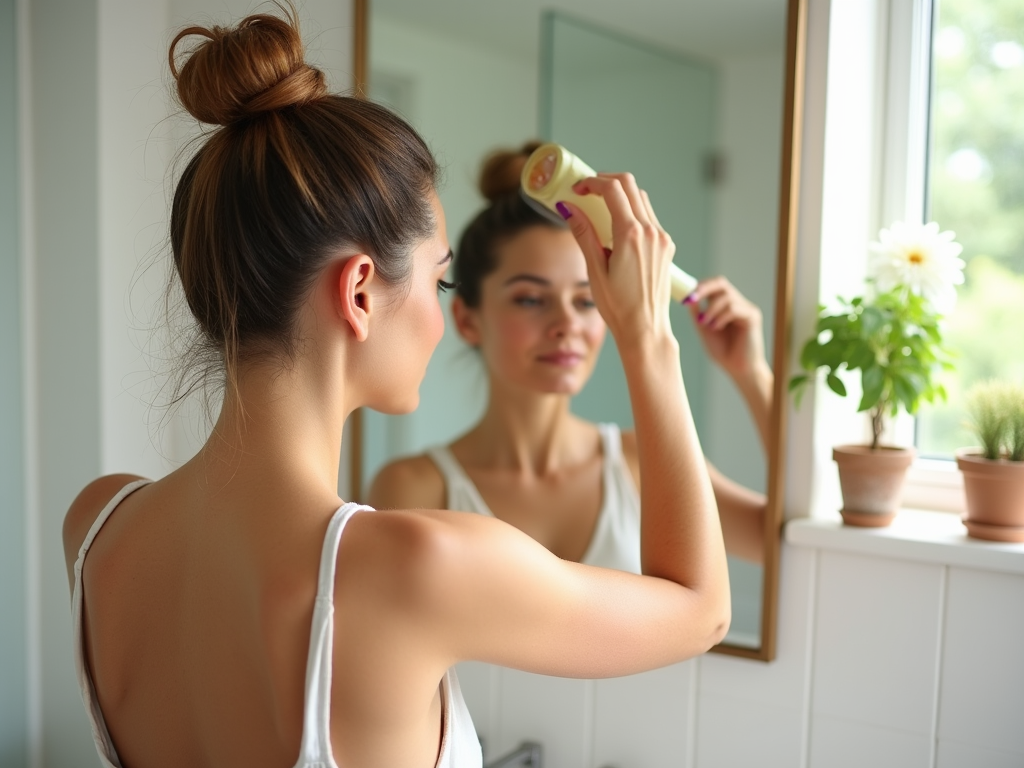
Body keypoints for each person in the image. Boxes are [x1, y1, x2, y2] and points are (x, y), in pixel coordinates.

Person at [61, 10, 730, 768]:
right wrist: (648, 340)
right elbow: (701, 612)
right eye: (440, 281)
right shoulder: (414, 567)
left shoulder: (97, 528)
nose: (442, 317)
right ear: (358, 292)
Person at [369, 143, 771, 568]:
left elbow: (782, 544)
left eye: (586, 301)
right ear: (467, 320)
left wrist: (752, 374)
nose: (566, 325)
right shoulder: (414, 490)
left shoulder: (641, 463)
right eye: (530, 300)